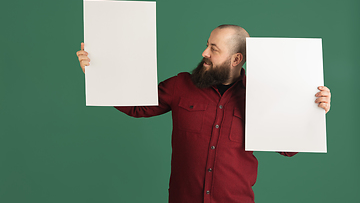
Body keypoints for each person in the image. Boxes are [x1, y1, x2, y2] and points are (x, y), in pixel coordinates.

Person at [76, 25, 331, 203]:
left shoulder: (260, 94)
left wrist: (314, 108)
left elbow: (288, 148)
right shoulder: (181, 85)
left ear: (236, 59)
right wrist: (98, 72)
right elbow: (136, 106)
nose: (204, 53)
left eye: (214, 48)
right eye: (207, 45)